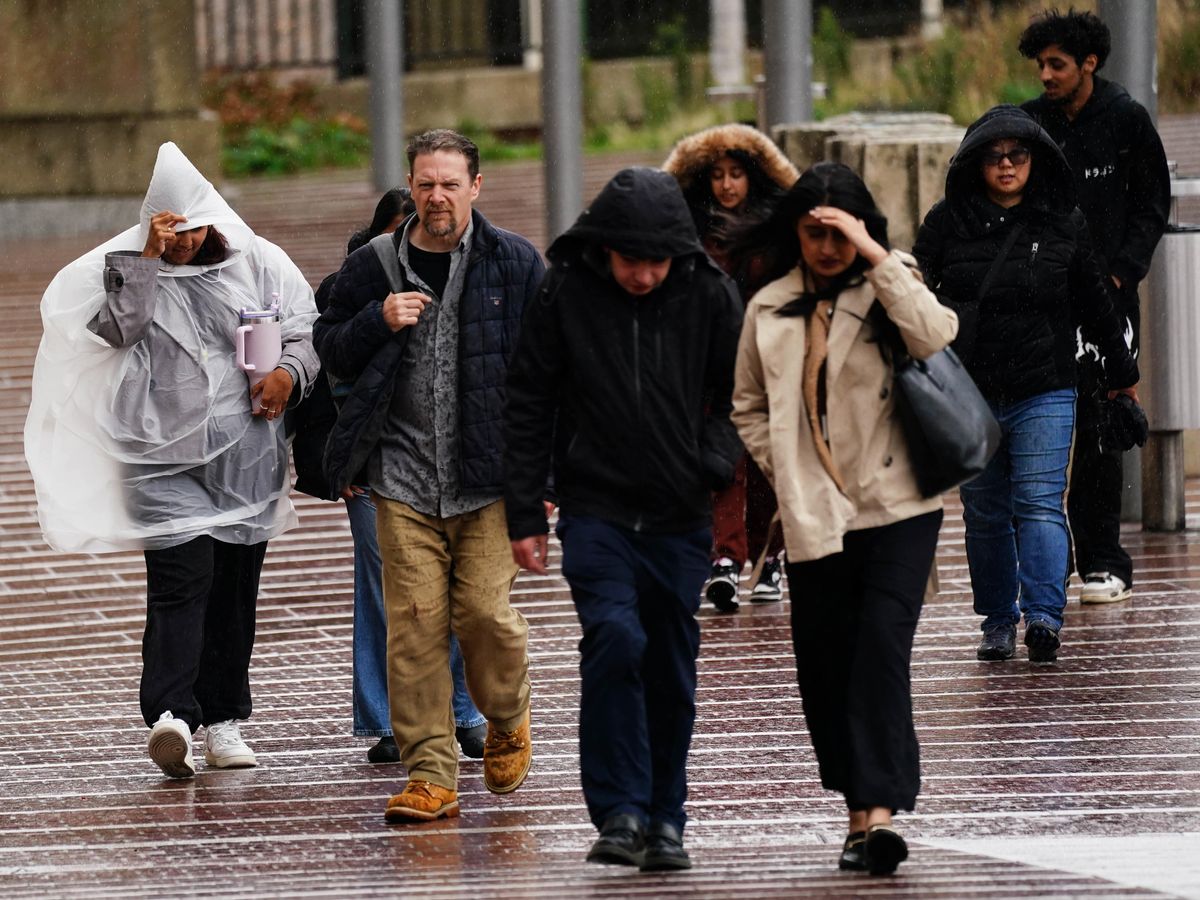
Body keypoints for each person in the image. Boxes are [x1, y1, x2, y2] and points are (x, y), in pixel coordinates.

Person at [24, 142, 319, 778]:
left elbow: (300, 328)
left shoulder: (258, 262)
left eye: (190, 229)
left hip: (245, 457)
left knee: (235, 586)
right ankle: (172, 715)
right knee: (182, 580)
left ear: (211, 218)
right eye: (169, 230)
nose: (183, 242)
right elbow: (116, 332)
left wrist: (289, 374)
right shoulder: (131, 265)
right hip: (158, 459)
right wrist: (148, 261)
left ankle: (225, 720)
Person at [504, 166, 743, 871]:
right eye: (631, 261)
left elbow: (741, 394)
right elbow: (527, 397)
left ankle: (666, 817)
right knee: (614, 638)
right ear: (605, 247)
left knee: (670, 662)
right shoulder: (567, 290)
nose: (644, 275)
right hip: (596, 507)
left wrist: (711, 460)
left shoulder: (708, 293)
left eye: (657, 262)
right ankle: (618, 811)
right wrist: (524, 510)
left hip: (679, 514)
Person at [731, 162, 957, 876]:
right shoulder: (768, 307)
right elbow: (747, 406)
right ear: (794, 233)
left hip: (898, 505)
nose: (826, 247)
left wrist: (877, 255)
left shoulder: (891, 283)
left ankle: (881, 813)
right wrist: (786, 465)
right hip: (813, 512)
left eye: (839, 232)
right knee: (826, 665)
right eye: (813, 232)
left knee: (880, 650)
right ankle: (857, 815)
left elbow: (936, 336)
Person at [314, 129, 543, 823]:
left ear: (476, 186)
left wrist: (545, 477)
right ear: (410, 188)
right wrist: (377, 321)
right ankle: (430, 773)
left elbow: (549, 375)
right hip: (402, 478)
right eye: (424, 184)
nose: (436, 196)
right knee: (413, 627)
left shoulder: (515, 264)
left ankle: (506, 712)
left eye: (449, 183)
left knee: (483, 616)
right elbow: (328, 347)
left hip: (488, 481)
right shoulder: (374, 264)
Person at [913, 105, 1139, 665]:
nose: (1007, 165)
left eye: (1018, 155)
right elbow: (910, 293)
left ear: (1037, 160)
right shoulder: (947, 222)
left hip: (1046, 386)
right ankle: (996, 619)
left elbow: (1095, 302)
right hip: (970, 392)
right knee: (985, 509)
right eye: (993, 157)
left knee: (1038, 502)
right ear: (974, 164)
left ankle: (1043, 616)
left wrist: (1123, 378)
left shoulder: (1063, 220)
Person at [291, 188, 488, 765]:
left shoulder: (472, 278)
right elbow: (323, 373)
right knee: (386, 596)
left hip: (454, 464)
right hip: (376, 470)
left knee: (460, 591)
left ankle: (464, 711)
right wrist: (333, 463)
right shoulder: (349, 286)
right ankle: (387, 719)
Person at [1018, 9, 1170, 605]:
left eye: (1057, 64)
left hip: (1109, 303)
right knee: (1037, 428)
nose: (1046, 75)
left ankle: (1103, 560)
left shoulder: (1127, 120)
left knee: (1102, 427)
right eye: (1040, 65)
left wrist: (1118, 272)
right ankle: (1043, 564)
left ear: (1090, 62)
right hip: (1044, 305)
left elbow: (1150, 206)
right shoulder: (1029, 125)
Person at [663, 124, 797, 611]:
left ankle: (769, 559)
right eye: (717, 174)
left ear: (753, 177)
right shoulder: (689, 231)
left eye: (737, 173)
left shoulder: (780, 230)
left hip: (768, 362)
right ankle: (725, 559)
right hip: (710, 363)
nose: (726, 185)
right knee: (723, 463)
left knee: (766, 465)